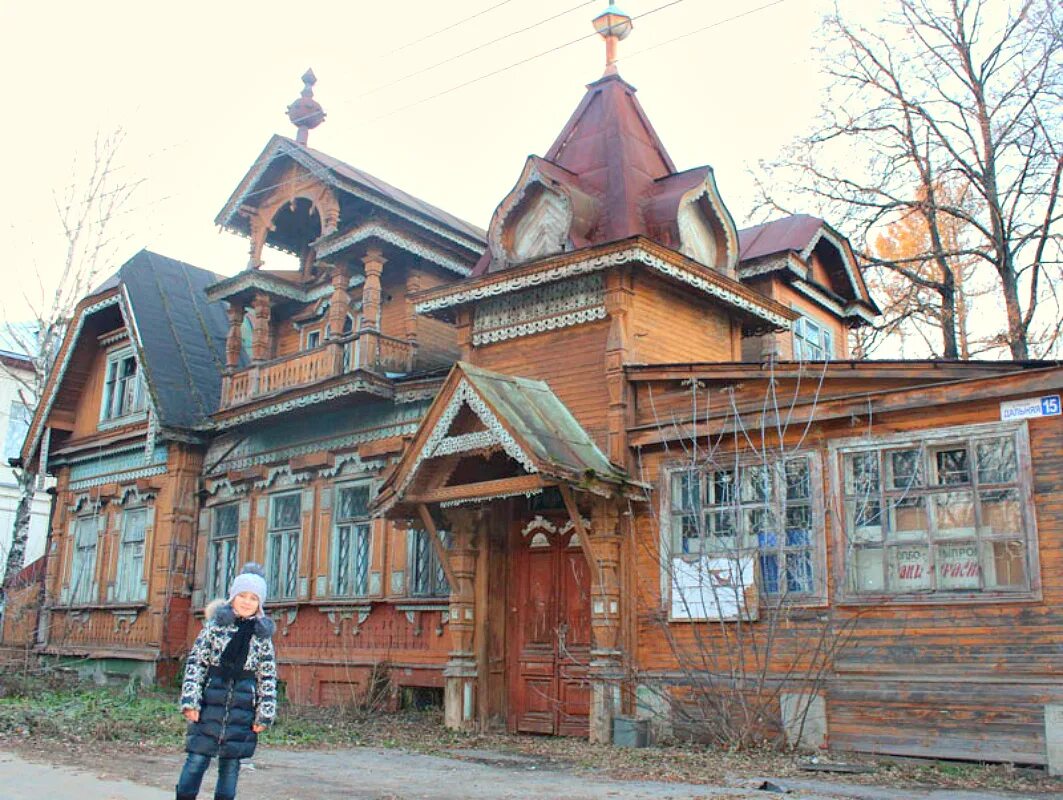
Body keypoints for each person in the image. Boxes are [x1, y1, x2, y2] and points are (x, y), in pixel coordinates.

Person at [176, 563, 277, 800]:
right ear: (232, 597)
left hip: (242, 710)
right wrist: (191, 701)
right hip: (210, 703)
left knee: (230, 767)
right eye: (242, 596)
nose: (247, 602)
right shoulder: (215, 628)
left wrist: (265, 713)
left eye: (253, 598)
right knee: (197, 760)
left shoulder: (261, 637)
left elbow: (267, 677)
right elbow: (196, 664)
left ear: (259, 604)